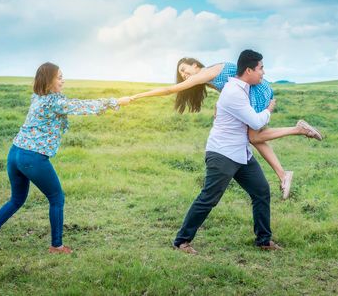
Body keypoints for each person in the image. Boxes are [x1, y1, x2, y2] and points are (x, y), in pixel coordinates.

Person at [0, 62, 131, 254]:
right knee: (56, 197)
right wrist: (114, 102)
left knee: (16, 199)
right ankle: (57, 246)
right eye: (59, 77)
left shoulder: (37, 97)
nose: (63, 80)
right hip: (31, 157)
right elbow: (81, 106)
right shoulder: (54, 101)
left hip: (15, 153)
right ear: (48, 82)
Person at [130, 57, 322, 199]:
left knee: (255, 137)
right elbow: (228, 88)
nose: (183, 74)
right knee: (256, 137)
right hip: (257, 90)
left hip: (255, 91)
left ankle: (299, 130)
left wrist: (136, 97)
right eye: (180, 73)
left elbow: (169, 90)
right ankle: (283, 173)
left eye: (184, 69)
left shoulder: (206, 73)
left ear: (195, 65)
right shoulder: (209, 77)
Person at [173, 49, 283, 254]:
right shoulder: (233, 90)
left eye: (185, 70)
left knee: (261, 191)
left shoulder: (236, 87)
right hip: (223, 153)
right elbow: (256, 121)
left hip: (241, 153)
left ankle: (264, 240)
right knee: (209, 198)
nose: (263, 73)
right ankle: (181, 241)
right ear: (248, 70)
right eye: (261, 69)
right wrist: (269, 109)